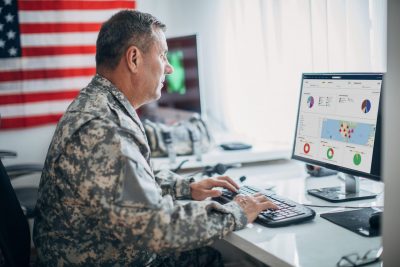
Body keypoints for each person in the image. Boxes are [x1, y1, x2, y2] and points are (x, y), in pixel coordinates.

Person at [33, 10, 277, 266]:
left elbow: (123, 185)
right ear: (134, 59)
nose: (169, 68)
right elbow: (157, 229)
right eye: (162, 55)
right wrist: (236, 211)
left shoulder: (99, 104)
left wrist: (185, 187)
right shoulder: (105, 129)